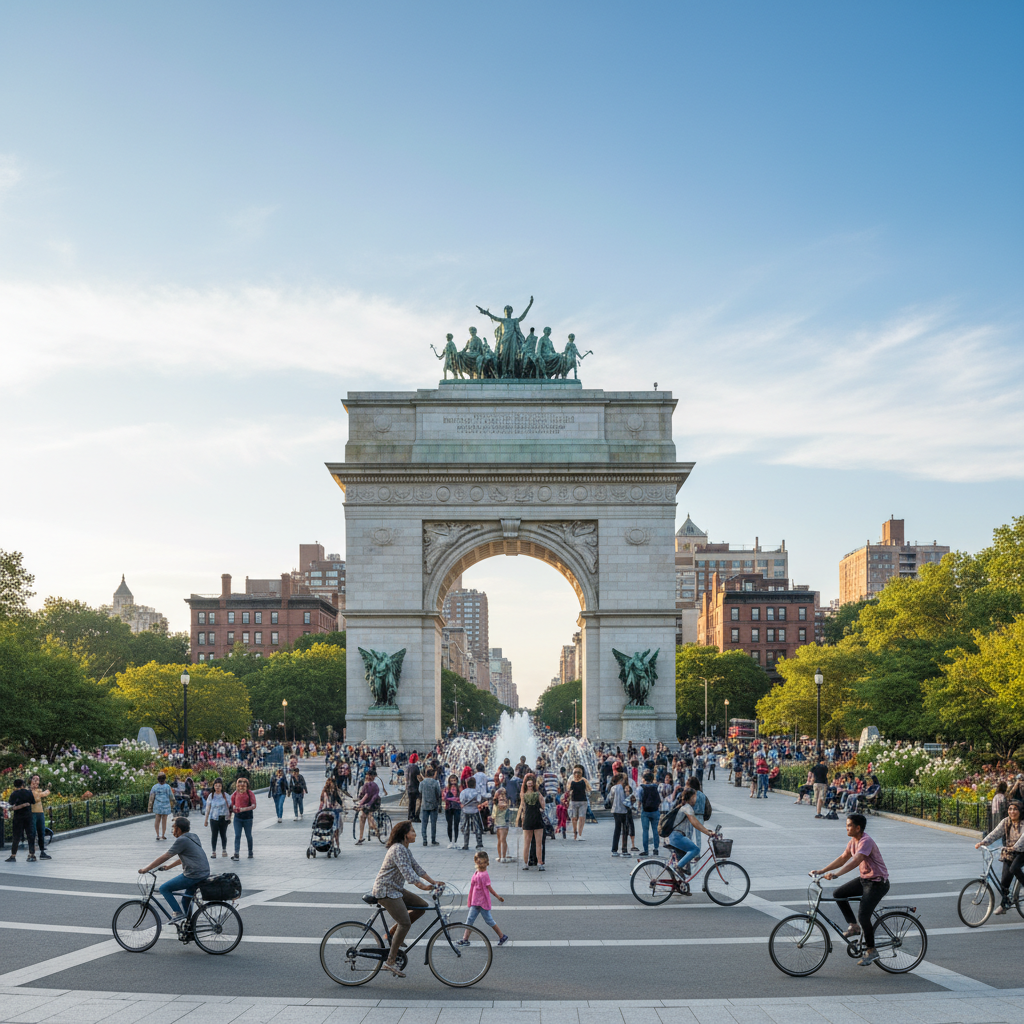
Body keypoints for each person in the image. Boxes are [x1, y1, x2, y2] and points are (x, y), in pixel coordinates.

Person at [811, 812, 890, 966]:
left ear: (858, 827)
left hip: (878, 883)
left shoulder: (866, 841)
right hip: (865, 880)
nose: (846, 828)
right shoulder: (853, 841)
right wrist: (822, 871)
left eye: (849, 825)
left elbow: (856, 861)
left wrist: (836, 875)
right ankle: (854, 926)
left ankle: (872, 950)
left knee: (864, 916)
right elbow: (843, 858)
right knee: (839, 893)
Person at [372, 820, 444, 978]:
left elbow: (417, 868)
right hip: (386, 890)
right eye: (412, 831)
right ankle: (390, 962)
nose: (415, 834)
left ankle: (391, 933)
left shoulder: (405, 849)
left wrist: (433, 882)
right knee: (405, 923)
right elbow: (408, 873)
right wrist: (423, 886)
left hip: (395, 889)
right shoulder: (398, 849)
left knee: (422, 906)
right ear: (405, 835)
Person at [139, 816, 210, 924]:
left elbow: (166, 856)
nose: (172, 830)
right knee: (185, 899)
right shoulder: (193, 836)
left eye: (173, 827)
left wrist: (147, 868)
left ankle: (178, 913)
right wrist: (169, 867)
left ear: (179, 829)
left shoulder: (182, 840)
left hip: (193, 874)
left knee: (164, 888)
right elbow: (188, 856)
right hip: (203, 872)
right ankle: (190, 926)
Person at [976, 799, 1024, 915]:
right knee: (1004, 882)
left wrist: (1015, 847)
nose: (1012, 812)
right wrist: (983, 842)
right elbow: (995, 833)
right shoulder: (1006, 822)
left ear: (1021, 811)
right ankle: (1004, 905)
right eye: (1010, 809)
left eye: (1015, 809)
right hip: (1009, 852)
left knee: (1014, 868)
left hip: (1022, 852)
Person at [665, 788, 717, 884]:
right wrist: (708, 833)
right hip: (677, 836)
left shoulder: (685, 806)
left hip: (675, 836)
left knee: (684, 868)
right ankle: (677, 867)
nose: (696, 799)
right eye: (695, 796)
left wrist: (708, 831)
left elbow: (696, 822)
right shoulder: (687, 807)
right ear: (692, 797)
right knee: (695, 850)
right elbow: (694, 823)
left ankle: (680, 885)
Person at [460, 851, 509, 946]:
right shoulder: (476, 872)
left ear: (487, 863)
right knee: (469, 919)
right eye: (479, 862)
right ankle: (465, 939)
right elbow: (472, 887)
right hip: (475, 902)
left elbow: (489, 888)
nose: (481, 864)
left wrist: (498, 897)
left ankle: (502, 936)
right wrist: (470, 900)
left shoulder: (484, 875)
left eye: (483, 862)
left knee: (489, 920)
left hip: (482, 903)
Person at [516, 773, 546, 871]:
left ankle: (525, 864)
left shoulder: (523, 795)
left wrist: (518, 819)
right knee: (538, 843)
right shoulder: (538, 794)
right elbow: (543, 806)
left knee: (526, 843)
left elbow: (522, 807)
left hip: (528, 819)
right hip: (537, 818)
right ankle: (540, 863)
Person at [4, 778, 36, 862]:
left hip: (18, 817)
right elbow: (33, 802)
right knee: (30, 835)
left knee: (16, 836)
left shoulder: (14, 794)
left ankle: (13, 855)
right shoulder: (28, 793)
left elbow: (10, 804)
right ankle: (31, 854)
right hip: (28, 816)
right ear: (23, 785)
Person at [203, 778, 232, 858]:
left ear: (222, 787)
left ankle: (224, 850)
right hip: (213, 818)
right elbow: (208, 808)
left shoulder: (226, 795)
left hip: (223, 817)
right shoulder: (211, 796)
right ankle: (213, 851)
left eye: (219, 786)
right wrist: (206, 820)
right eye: (216, 786)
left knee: (223, 834)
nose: (218, 787)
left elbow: (230, 806)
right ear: (214, 786)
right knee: (214, 835)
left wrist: (230, 817)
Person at [230, 777, 256, 860]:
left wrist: (244, 809)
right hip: (237, 818)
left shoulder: (250, 793)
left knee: (248, 835)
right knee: (237, 835)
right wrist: (233, 809)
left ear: (247, 786)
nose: (241, 788)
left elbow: (254, 805)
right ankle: (236, 853)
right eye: (240, 786)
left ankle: (250, 852)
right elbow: (231, 804)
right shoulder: (235, 794)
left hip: (247, 818)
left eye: (243, 786)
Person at [637, 770, 662, 858]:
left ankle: (646, 850)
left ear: (644, 779)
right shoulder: (657, 787)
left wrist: (638, 809)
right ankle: (656, 849)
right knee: (655, 830)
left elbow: (639, 800)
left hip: (645, 811)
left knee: (645, 831)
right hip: (655, 811)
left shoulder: (641, 788)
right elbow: (660, 799)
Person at [356, 769, 382, 844]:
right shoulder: (366, 784)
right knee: (362, 817)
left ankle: (376, 830)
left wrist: (364, 803)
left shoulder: (373, 784)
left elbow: (373, 796)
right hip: (367, 803)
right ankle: (360, 837)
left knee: (369, 816)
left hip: (374, 803)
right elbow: (362, 795)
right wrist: (360, 802)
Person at [460, 776, 485, 851]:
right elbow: (479, 800)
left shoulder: (463, 792)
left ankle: (466, 844)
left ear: (467, 784)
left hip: (465, 811)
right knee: (477, 827)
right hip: (474, 810)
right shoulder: (477, 792)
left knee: (466, 827)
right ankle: (479, 842)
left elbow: (462, 800)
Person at [29, 775, 52, 860]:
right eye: (34, 780)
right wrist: (47, 790)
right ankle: (31, 853)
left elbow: (43, 794)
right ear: (30, 781)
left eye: (38, 780)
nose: (36, 782)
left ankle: (42, 851)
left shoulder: (38, 791)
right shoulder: (30, 791)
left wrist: (46, 790)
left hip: (40, 812)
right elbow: (37, 798)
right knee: (32, 833)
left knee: (41, 832)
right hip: (32, 813)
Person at [419, 768, 442, 847]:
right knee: (433, 823)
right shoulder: (435, 782)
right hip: (433, 805)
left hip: (425, 805)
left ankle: (424, 840)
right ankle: (433, 839)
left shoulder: (422, 783)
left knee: (424, 824)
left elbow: (420, 791)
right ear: (433, 774)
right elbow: (438, 793)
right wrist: (439, 804)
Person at [319, 778, 346, 846]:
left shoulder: (334, 792)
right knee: (333, 828)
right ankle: (334, 843)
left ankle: (335, 843)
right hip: (328, 812)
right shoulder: (326, 792)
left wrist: (342, 807)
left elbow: (339, 800)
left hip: (333, 812)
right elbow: (322, 802)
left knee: (335, 829)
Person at [568, 767, 591, 842]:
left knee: (581, 818)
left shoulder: (584, 780)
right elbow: (568, 790)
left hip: (583, 801)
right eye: (575, 772)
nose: (577, 774)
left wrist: (588, 791)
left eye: (578, 772)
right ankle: (575, 833)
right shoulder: (571, 781)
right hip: (574, 801)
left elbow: (589, 788)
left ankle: (580, 834)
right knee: (574, 818)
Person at [609, 772, 629, 857]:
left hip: (615, 810)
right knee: (625, 830)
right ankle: (624, 850)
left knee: (617, 829)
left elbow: (610, 798)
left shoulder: (613, 788)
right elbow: (628, 798)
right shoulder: (625, 788)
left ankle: (614, 850)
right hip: (624, 810)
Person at [149, 772, 173, 841]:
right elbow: (171, 796)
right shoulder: (167, 787)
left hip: (157, 806)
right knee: (164, 821)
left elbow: (151, 797)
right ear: (165, 779)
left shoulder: (155, 787)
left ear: (158, 779)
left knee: (157, 820)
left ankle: (157, 835)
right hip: (165, 806)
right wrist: (174, 801)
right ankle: (163, 835)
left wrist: (149, 807)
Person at [493, 786, 512, 863]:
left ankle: (503, 856)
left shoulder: (506, 804)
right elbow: (493, 814)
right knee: (500, 840)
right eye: (500, 795)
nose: (501, 797)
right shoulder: (496, 804)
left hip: (504, 822)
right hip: (498, 822)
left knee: (502, 839)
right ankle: (500, 856)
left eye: (503, 795)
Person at [443, 774, 462, 848]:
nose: (453, 782)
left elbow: (461, 798)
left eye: (454, 780)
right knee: (449, 824)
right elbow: (443, 797)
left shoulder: (459, 788)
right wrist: (454, 799)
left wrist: (451, 799)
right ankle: (451, 841)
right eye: (451, 780)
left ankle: (456, 841)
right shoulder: (447, 788)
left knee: (456, 824)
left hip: (457, 808)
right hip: (448, 807)